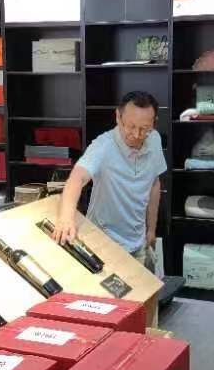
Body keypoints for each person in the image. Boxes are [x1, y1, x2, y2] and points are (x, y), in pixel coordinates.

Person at [53, 91, 167, 270]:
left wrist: (151, 230)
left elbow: (154, 183)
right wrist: (66, 217)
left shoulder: (154, 139)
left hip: (137, 243)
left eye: (144, 128)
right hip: (104, 244)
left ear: (154, 122)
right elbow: (77, 178)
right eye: (130, 126)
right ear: (118, 117)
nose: (137, 134)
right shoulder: (103, 146)